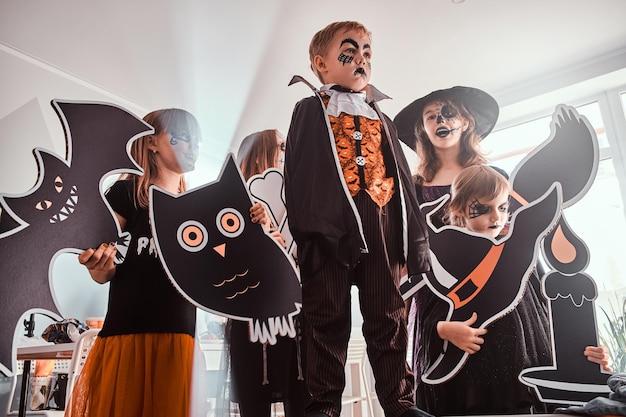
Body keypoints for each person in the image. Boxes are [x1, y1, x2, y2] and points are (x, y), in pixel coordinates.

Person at [393, 90, 611, 415]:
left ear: (467, 121)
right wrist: (435, 327)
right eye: (432, 115)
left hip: (513, 309)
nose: (442, 119)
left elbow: (531, 252)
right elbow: (401, 264)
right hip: (443, 308)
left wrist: (575, 343)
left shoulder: (500, 178)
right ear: (420, 129)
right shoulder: (410, 189)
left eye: (449, 112)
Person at [283, 21, 431, 417]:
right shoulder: (310, 108)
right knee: (325, 319)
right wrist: (311, 231)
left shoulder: (382, 116)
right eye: (349, 52)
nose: (362, 59)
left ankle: (399, 403)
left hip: (380, 227)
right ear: (321, 64)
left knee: (388, 317)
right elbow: (298, 176)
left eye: (367, 52)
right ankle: (323, 407)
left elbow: (402, 182)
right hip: (329, 228)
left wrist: (411, 242)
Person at [65, 108, 202, 417]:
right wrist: (99, 266)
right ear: (152, 142)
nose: (192, 148)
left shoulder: (195, 210)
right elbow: (104, 266)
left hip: (181, 339)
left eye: (197, 141)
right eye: (182, 139)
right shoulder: (126, 194)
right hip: (130, 335)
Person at [227, 129, 308, 417]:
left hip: (295, 317)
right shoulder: (230, 207)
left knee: (300, 399)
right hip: (251, 319)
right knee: (254, 402)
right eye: (281, 145)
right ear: (261, 152)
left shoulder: (300, 201)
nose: (288, 151)